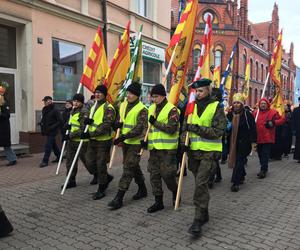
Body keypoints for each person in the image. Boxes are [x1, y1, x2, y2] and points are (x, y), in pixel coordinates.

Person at [181, 78, 226, 237]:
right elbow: (185, 128)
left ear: (208, 90)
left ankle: (198, 219)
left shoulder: (216, 107)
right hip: (194, 153)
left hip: (209, 153)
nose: (197, 93)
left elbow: (218, 131)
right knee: (200, 184)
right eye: (196, 91)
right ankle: (204, 212)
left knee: (200, 183)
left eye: (200, 91)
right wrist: (183, 143)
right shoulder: (191, 107)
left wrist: (197, 129)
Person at [108, 82, 148, 210]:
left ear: (137, 95)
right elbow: (121, 121)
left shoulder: (142, 109)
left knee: (128, 168)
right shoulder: (124, 105)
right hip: (126, 143)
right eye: (128, 93)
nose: (129, 95)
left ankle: (119, 197)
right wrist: (116, 126)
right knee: (133, 166)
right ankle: (142, 189)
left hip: (136, 144)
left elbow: (139, 128)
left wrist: (124, 136)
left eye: (132, 94)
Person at [146, 84, 180, 213]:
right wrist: (145, 141)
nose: (154, 99)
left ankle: (175, 192)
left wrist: (155, 122)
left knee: (167, 176)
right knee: (154, 175)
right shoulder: (151, 108)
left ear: (163, 96)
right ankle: (158, 201)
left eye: (156, 96)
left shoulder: (172, 110)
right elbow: (148, 128)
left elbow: (171, 129)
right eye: (152, 97)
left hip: (167, 150)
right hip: (154, 149)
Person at [83, 85, 116, 200]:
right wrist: (86, 121)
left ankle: (101, 188)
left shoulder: (109, 108)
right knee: (89, 162)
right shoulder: (93, 106)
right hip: (92, 141)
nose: (97, 94)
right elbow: (90, 119)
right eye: (95, 92)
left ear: (104, 94)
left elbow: (106, 125)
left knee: (101, 164)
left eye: (99, 93)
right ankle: (106, 177)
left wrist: (90, 134)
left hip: (103, 141)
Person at [62, 93, 97, 189]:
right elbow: (72, 123)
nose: (75, 103)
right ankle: (71, 180)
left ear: (81, 102)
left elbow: (83, 128)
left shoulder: (84, 112)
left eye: (77, 101)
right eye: (74, 101)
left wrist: (70, 135)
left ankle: (96, 174)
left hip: (82, 141)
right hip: (72, 141)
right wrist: (67, 126)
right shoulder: (73, 111)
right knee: (70, 161)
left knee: (87, 161)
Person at [227, 93, 256, 192]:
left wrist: (253, 142)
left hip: (244, 142)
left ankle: (235, 182)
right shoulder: (230, 114)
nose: (236, 105)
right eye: (234, 103)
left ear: (242, 104)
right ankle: (242, 175)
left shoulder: (247, 115)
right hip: (233, 142)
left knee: (239, 161)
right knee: (239, 161)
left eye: (238, 103)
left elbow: (253, 128)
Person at [253, 98, 285, 178]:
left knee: (265, 154)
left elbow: (282, 119)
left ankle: (263, 170)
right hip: (258, 138)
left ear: (267, 104)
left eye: (264, 103)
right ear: (259, 105)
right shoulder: (256, 113)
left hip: (268, 137)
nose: (263, 105)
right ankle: (264, 167)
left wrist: (273, 123)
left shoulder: (273, 112)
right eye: (261, 104)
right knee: (260, 154)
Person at [39, 96, 62, 167]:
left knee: (48, 145)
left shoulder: (55, 110)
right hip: (47, 130)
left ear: (50, 101)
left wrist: (52, 127)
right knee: (53, 144)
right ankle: (59, 157)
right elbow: (44, 118)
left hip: (53, 130)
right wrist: (41, 123)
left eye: (46, 101)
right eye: (45, 101)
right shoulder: (44, 109)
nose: (45, 102)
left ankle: (45, 161)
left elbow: (60, 121)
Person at [0, 91, 17, 166]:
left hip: (4, 128)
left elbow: (7, 115)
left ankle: (12, 159)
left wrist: (0, 114)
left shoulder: (5, 104)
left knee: (6, 145)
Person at [293, 97, 300, 163]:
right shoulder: (296, 110)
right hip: (298, 130)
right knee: (298, 144)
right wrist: (294, 129)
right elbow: (293, 121)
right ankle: (298, 157)